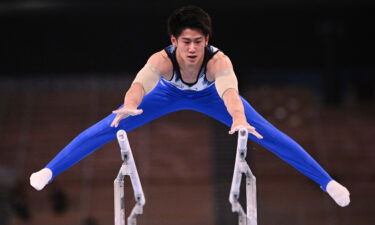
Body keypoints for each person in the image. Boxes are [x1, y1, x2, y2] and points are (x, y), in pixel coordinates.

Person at [30, 5, 350, 207]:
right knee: (111, 125)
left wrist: (238, 118)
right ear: (174, 41)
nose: (193, 48)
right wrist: (129, 105)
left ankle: (328, 182)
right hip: (167, 95)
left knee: (266, 133)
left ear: (207, 39)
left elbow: (229, 91)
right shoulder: (161, 59)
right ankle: (49, 170)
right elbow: (139, 85)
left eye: (199, 41)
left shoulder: (218, 61)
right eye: (186, 41)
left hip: (214, 98)